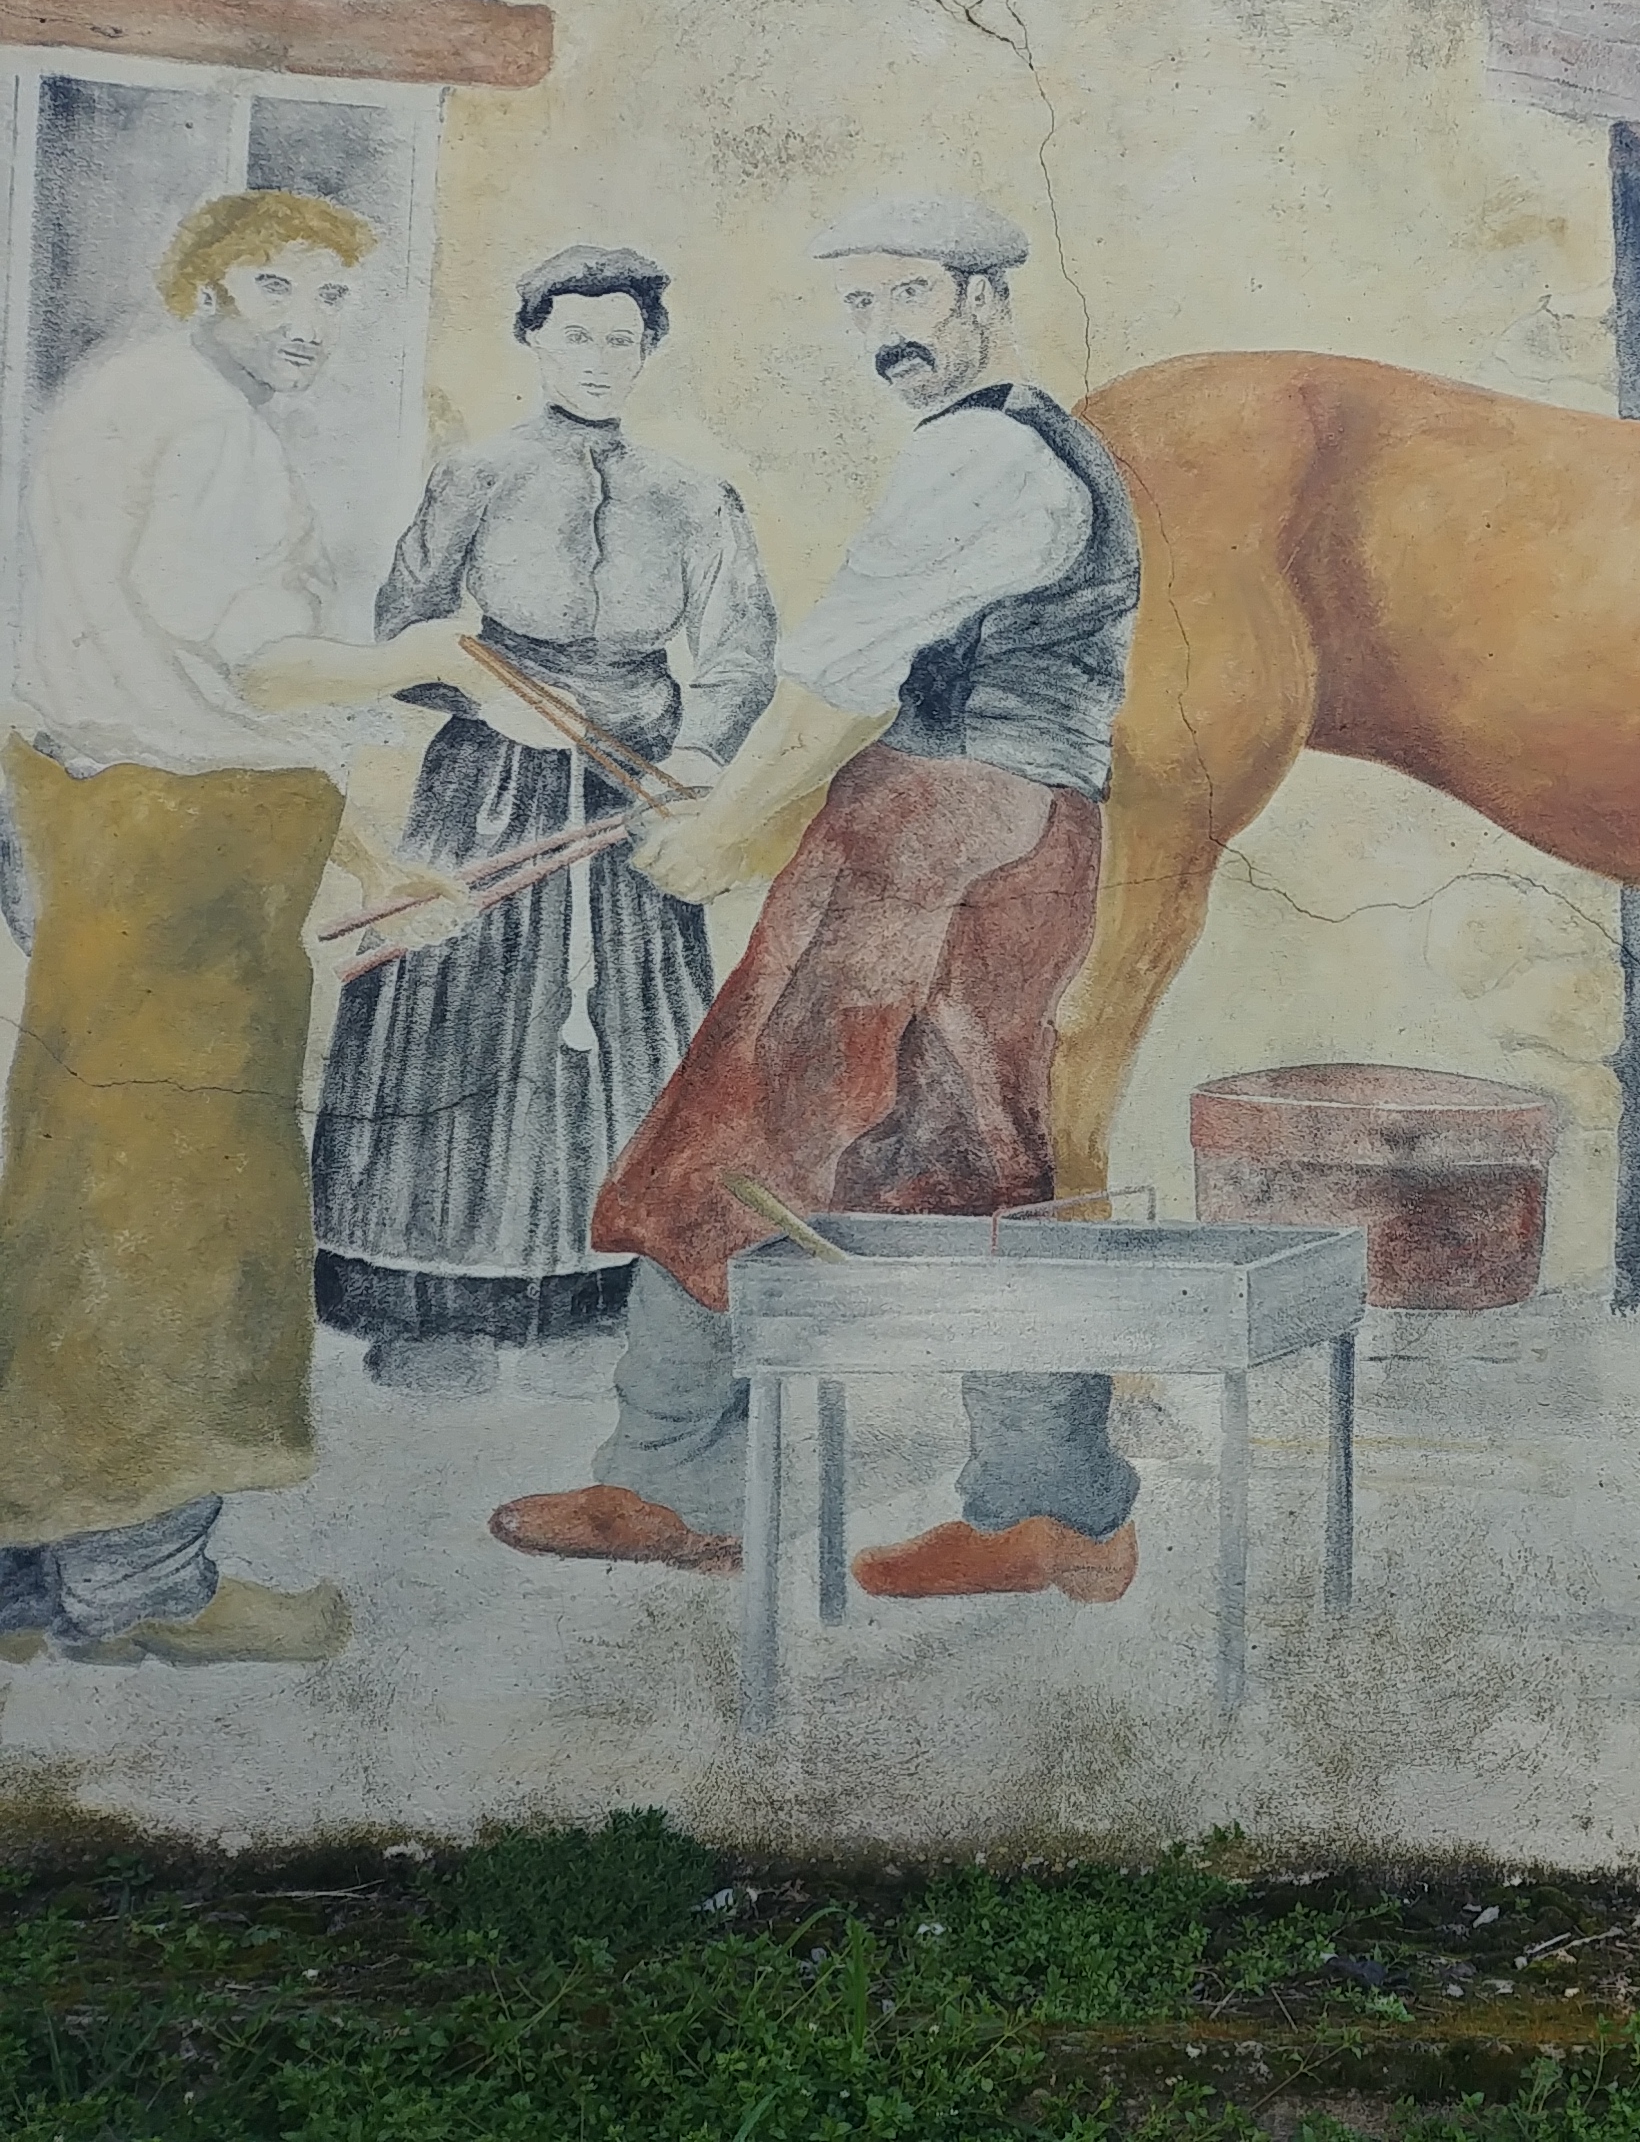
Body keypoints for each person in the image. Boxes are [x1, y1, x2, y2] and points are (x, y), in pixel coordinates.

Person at [487, 192, 1143, 1599]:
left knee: (756, 1131)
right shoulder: (1024, 440)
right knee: (966, 1160)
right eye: (860, 303)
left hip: (945, 838)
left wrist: (721, 832)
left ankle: (683, 1483)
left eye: (911, 295)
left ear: (982, 297)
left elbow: (840, 677)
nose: (883, 330)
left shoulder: (983, 454)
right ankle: (1052, 1507)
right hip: (986, 832)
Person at [0, 192, 515, 1666]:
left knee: (77, 1188)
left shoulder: (117, 398)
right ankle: (143, 1585)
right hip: (184, 865)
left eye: (334, 295)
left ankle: (34, 1571)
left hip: (105, 826)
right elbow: (256, 672)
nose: (308, 322)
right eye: (274, 286)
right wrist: (421, 660)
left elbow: (160, 689)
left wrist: (363, 855)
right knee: (189, 1205)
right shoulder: (204, 426)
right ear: (205, 287)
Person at [309, 247, 779, 1397]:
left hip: (634, 794)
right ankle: (435, 1301)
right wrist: (481, 696)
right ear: (533, 341)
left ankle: (616, 1296)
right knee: (461, 1020)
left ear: (649, 349)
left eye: (622, 339)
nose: (599, 360)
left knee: (628, 1025)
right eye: (576, 336)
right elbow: (402, 634)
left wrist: (693, 760)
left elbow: (738, 650)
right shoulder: (476, 474)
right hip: (489, 786)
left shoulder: (695, 496)